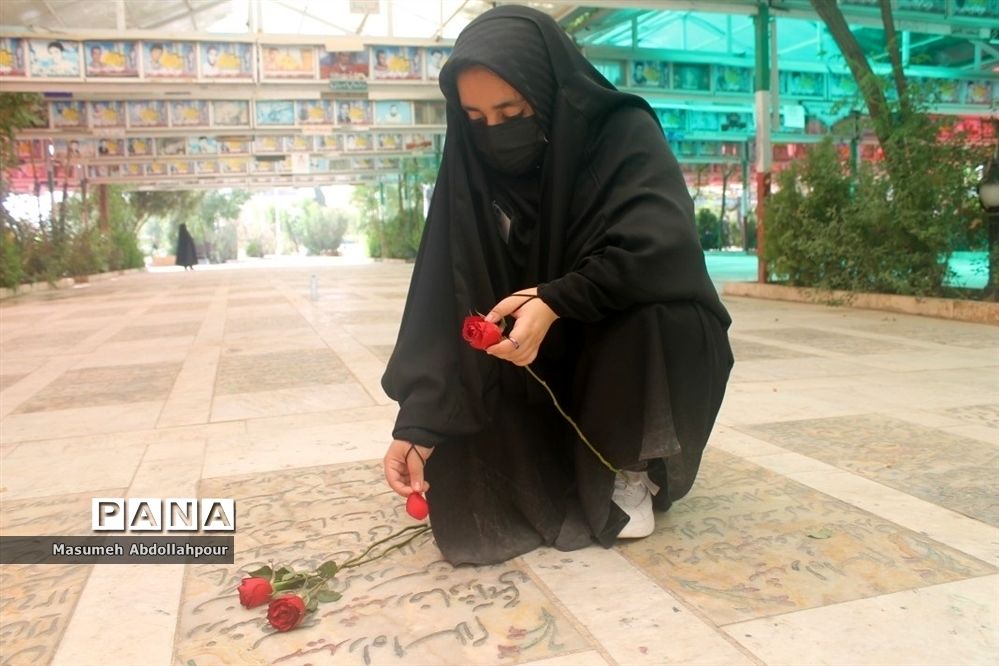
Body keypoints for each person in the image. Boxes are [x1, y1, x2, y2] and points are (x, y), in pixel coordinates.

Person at [381, 5, 733, 566]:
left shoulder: (620, 133)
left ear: (546, 94)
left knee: (663, 313)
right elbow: (446, 291)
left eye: (512, 111)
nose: (493, 134)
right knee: (476, 483)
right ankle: (564, 455)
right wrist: (422, 423)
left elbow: (661, 247)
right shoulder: (473, 168)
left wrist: (554, 298)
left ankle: (631, 466)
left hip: (617, 345)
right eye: (475, 118)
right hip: (534, 367)